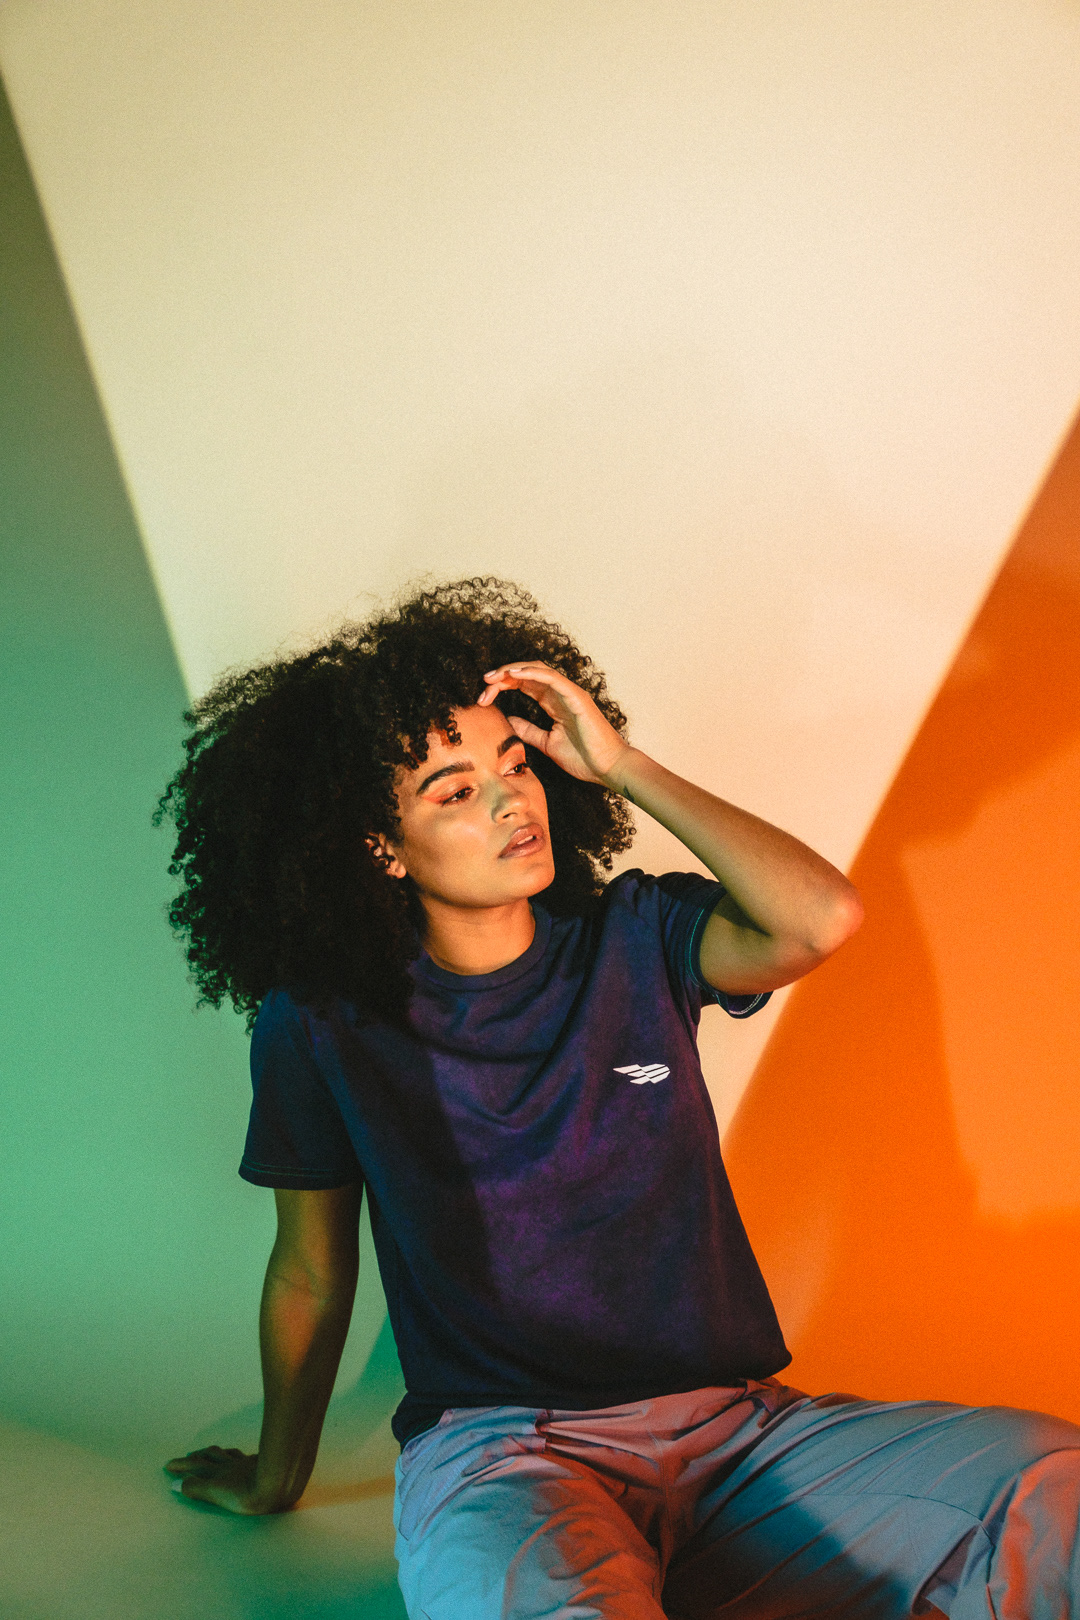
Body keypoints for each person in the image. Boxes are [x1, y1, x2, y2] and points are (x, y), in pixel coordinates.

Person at [160, 578, 1079, 1618]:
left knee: (1051, 1481)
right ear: (379, 845)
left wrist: (622, 765)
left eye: (514, 764)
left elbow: (819, 918)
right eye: (454, 791)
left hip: (739, 1442)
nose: (510, 801)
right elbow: (310, 1271)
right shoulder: (321, 1021)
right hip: (507, 1458)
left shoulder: (638, 935)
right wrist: (276, 1476)